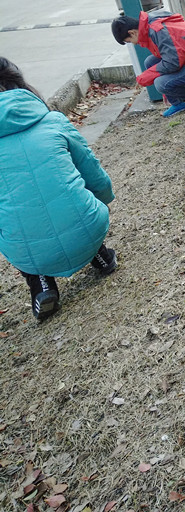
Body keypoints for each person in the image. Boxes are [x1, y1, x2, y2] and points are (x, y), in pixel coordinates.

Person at [0, 58, 118, 322]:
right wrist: (104, 201)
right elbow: (93, 173)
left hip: (27, 251)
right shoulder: (53, 121)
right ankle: (100, 255)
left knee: (20, 224)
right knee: (74, 200)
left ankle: (41, 285)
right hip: (87, 227)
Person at [112, 10, 185, 117]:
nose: (133, 44)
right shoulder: (150, 25)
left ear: (132, 33)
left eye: (129, 41)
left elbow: (173, 63)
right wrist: (169, 92)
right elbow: (170, 56)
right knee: (150, 62)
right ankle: (180, 102)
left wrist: (147, 76)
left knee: (161, 83)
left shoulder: (158, 31)